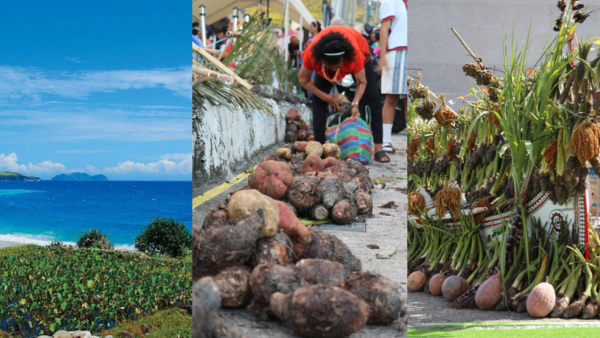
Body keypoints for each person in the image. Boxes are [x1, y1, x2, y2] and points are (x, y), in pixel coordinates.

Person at [298, 25, 389, 163]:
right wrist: (325, 96)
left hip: (356, 46)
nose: (335, 71)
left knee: (373, 97)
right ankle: (320, 147)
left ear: (345, 60)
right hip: (325, 60)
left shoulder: (354, 55)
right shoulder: (313, 54)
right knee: (318, 100)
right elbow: (303, 80)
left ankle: (378, 148)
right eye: (331, 68)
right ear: (321, 60)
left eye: (338, 67)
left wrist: (355, 103)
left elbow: (362, 82)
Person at [379, 0, 408, 154]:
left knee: (411, 100)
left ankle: (414, 141)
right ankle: (386, 142)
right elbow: (384, 29)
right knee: (392, 97)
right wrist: (382, 55)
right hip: (396, 52)